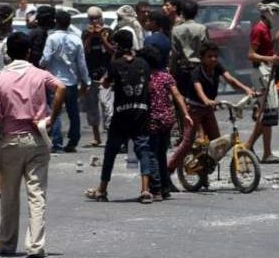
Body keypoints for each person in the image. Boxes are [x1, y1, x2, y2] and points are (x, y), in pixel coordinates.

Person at [0, 32, 66, 257]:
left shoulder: (0, 79)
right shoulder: (40, 74)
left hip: (10, 141)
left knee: (9, 196)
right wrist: (51, 118)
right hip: (37, 139)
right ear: (29, 52)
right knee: (37, 195)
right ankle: (35, 246)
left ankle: (7, 243)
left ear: (8, 54)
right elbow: (61, 88)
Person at [85, 30, 156, 203]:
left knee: (111, 151)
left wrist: (106, 80)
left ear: (117, 45)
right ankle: (145, 190)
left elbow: (106, 83)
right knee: (143, 150)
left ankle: (102, 189)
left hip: (122, 114)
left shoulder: (115, 64)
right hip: (140, 112)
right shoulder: (143, 63)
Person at [167, 41, 254, 177]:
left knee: (216, 142)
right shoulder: (196, 72)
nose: (213, 59)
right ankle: (169, 169)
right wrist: (206, 100)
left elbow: (230, 80)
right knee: (187, 142)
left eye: (215, 56)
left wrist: (246, 89)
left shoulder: (217, 67)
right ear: (201, 58)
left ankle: (204, 165)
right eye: (209, 56)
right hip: (194, 109)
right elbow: (198, 89)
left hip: (208, 109)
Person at [140, 46, 191, 200]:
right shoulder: (166, 76)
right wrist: (185, 114)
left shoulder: (145, 78)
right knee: (161, 154)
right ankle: (165, 187)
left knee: (152, 154)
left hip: (152, 120)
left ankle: (156, 189)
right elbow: (177, 95)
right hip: (167, 120)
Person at [41, 10, 90, 153]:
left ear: (56, 22)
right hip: (71, 82)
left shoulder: (51, 38)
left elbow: (46, 59)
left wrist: (40, 65)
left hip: (55, 82)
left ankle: (57, 143)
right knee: (73, 112)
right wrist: (86, 81)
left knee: (55, 112)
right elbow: (81, 63)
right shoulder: (76, 39)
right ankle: (73, 142)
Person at [244, 0, 279, 164]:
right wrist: (270, 59)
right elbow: (251, 54)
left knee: (268, 113)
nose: (276, 15)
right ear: (266, 10)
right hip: (261, 72)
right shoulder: (259, 29)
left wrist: (276, 42)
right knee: (268, 112)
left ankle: (251, 145)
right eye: (275, 11)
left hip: (267, 71)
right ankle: (264, 152)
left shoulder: (266, 28)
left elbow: (265, 50)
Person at [82, 6, 115, 146]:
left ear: (101, 18)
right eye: (91, 19)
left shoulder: (108, 32)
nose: (94, 21)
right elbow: (83, 51)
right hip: (91, 73)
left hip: (106, 73)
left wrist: (102, 37)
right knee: (92, 106)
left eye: (96, 18)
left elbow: (112, 51)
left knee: (107, 104)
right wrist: (90, 37)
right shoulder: (86, 32)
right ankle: (96, 136)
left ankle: (111, 135)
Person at [170, 0, 209, 98]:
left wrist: (172, 72)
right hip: (199, 68)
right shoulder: (201, 29)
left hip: (182, 69)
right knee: (199, 98)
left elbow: (175, 53)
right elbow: (207, 49)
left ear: (182, 12)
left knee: (183, 98)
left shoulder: (175, 30)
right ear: (196, 13)